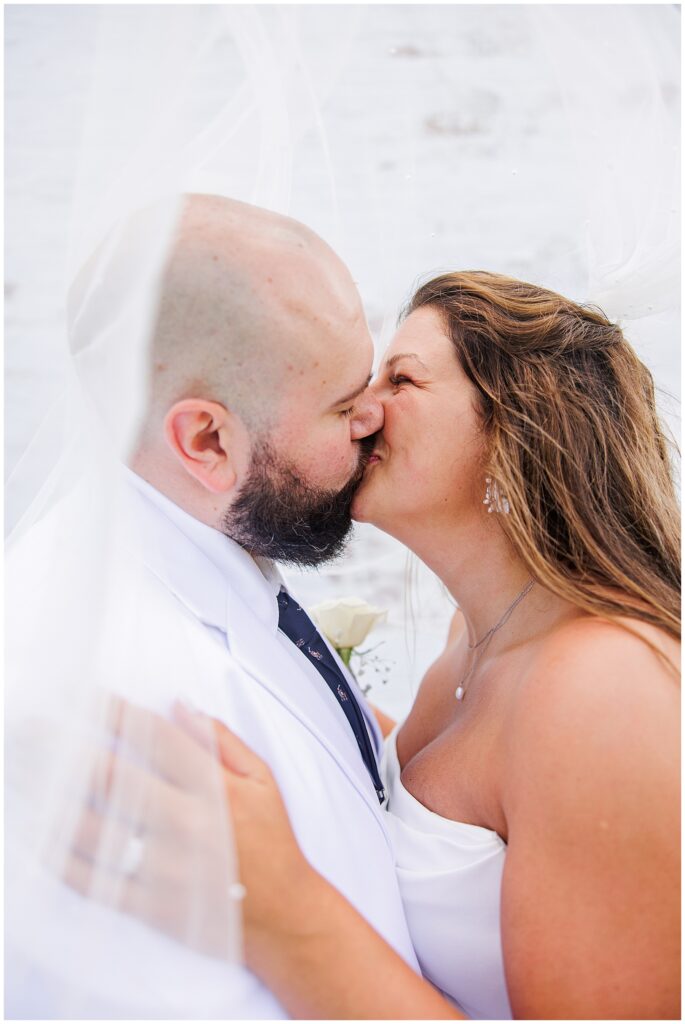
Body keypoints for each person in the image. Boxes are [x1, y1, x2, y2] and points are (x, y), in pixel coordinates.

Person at [66, 272, 680, 1019]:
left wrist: (278, 907)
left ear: (514, 429)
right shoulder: (474, 644)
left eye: (402, 379)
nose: (360, 412)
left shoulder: (600, 685)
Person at [5, 194, 422, 1018]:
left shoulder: (201, 550)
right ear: (206, 442)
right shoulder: (131, 707)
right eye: (343, 407)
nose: (375, 418)